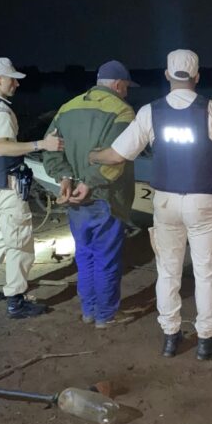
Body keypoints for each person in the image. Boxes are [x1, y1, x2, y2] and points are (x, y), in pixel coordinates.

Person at [89, 49, 212, 360]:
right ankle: (205, 340)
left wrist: (90, 155)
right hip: (203, 202)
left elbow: (116, 155)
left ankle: (171, 337)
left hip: (165, 203)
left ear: (167, 75)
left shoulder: (150, 112)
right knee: (206, 275)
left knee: (168, 272)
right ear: (197, 77)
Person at [0, 57, 62, 319]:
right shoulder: (0, 111)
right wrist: (42, 144)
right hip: (6, 188)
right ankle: (16, 301)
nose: (16, 84)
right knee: (19, 243)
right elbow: (2, 147)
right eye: (12, 79)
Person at [42, 60, 137, 329]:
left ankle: (88, 310)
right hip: (106, 197)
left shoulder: (67, 108)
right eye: (126, 87)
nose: (126, 93)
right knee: (106, 257)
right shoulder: (122, 111)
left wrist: (65, 178)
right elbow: (117, 158)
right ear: (117, 85)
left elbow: (50, 149)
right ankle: (105, 315)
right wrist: (89, 184)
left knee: (84, 255)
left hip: (74, 197)